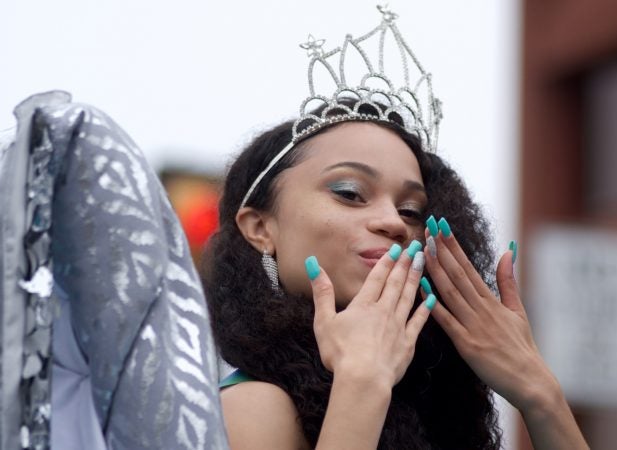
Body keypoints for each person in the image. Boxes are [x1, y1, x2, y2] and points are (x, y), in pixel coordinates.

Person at [202, 6, 588, 450]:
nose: (393, 223)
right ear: (259, 227)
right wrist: (363, 383)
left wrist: (540, 395)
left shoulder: (431, 413)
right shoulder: (253, 405)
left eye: (411, 210)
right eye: (348, 192)